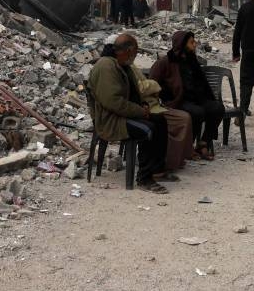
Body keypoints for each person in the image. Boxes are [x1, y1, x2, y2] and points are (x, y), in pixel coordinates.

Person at [88, 34, 172, 193]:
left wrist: (144, 107)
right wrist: (141, 112)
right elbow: (113, 102)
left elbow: (134, 93)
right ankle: (144, 178)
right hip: (111, 120)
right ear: (128, 50)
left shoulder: (121, 65)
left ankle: (157, 170)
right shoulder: (106, 66)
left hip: (123, 114)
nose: (135, 57)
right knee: (149, 129)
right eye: (134, 53)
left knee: (161, 121)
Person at [149, 31, 224, 161]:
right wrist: (165, 97)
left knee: (217, 108)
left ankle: (203, 143)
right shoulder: (165, 62)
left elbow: (201, 83)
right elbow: (152, 82)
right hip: (178, 101)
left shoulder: (192, 60)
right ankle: (187, 148)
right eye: (191, 42)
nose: (195, 45)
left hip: (196, 99)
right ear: (182, 44)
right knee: (197, 112)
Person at [131, 65, 193, 172]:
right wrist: (154, 84)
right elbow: (138, 88)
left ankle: (173, 161)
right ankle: (160, 165)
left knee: (185, 117)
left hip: (155, 104)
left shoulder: (130, 65)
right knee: (163, 122)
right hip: (144, 107)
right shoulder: (162, 63)